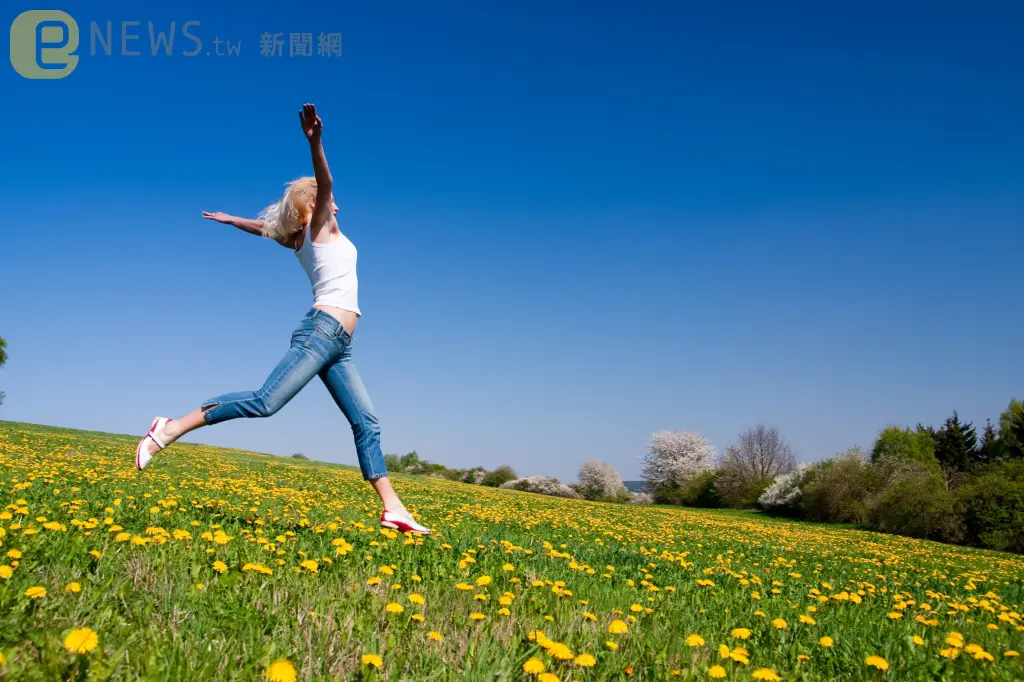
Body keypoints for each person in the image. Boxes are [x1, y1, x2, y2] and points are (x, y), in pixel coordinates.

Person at [135, 103, 429, 535]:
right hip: (321, 332)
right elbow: (325, 182)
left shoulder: (296, 239)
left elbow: (262, 228)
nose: (336, 203)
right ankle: (171, 427)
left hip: (339, 345)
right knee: (265, 401)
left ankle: (393, 509)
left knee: (366, 421)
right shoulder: (319, 230)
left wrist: (231, 219)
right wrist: (315, 143)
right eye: (326, 200)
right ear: (313, 206)